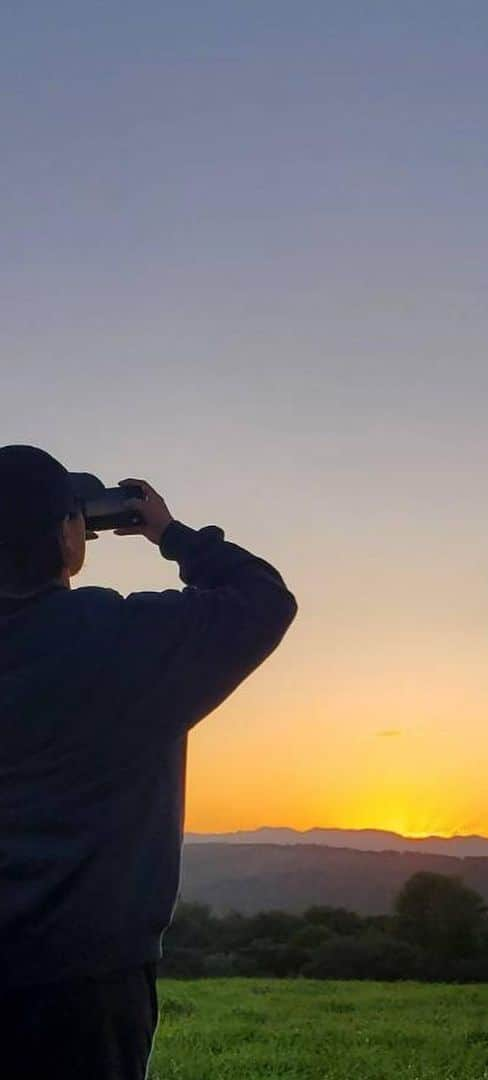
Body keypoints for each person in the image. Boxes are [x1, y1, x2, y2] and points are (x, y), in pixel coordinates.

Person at [0, 445, 297, 1079]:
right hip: (86, 986)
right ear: (68, 535)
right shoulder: (126, 637)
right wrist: (171, 533)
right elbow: (263, 598)